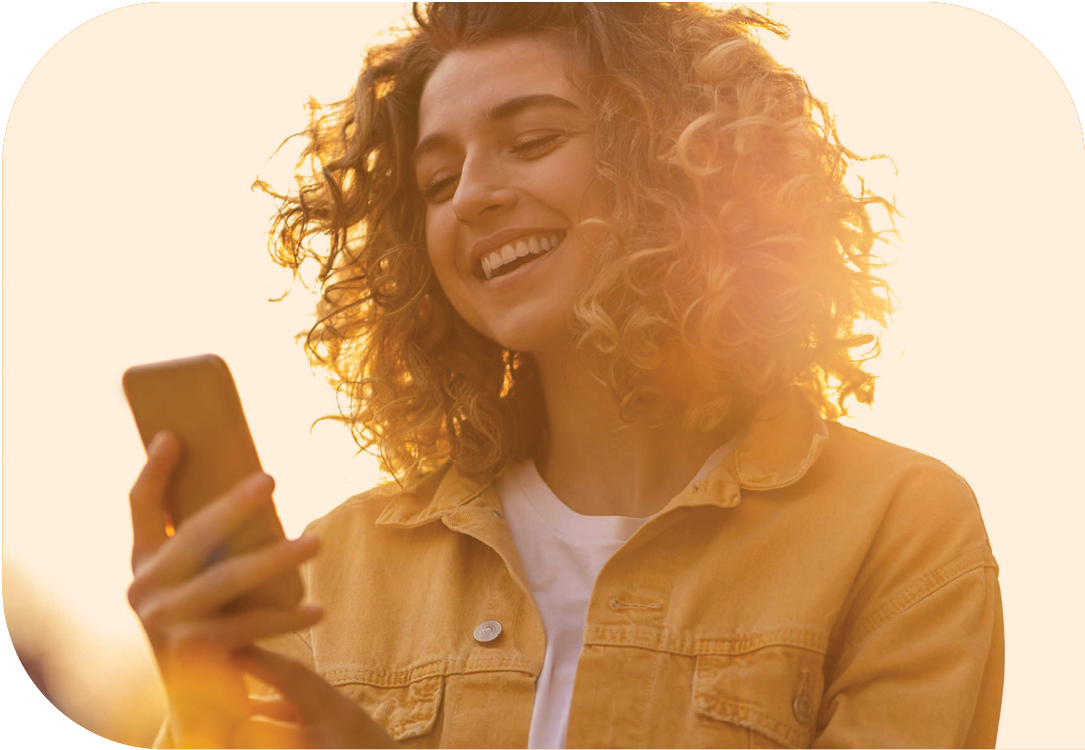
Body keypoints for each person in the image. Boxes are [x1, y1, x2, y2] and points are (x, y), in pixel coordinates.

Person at [128, 3, 1004, 748]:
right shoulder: (336, 570)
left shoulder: (898, 529)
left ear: (677, 160)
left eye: (532, 139)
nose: (472, 194)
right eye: (437, 180)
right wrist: (198, 703)